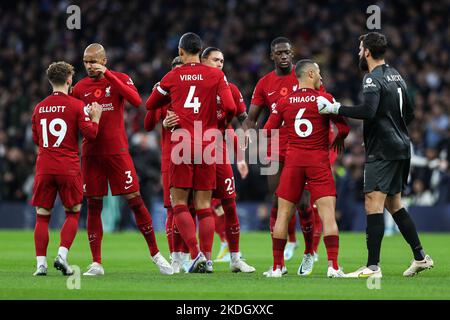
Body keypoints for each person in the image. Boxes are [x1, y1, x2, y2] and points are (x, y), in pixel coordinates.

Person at [317, 32, 434, 277]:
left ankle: (372, 267)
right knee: (394, 204)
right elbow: (410, 113)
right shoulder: (397, 75)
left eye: (360, 49)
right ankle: (421, 257)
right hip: (402, 147)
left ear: (367, 52)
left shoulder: (372, 79)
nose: (359, 53)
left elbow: (369, 111)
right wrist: (394, 128)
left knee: (373, 202)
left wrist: (336, 108)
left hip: (383, 150)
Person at [72, 43, 173, 276]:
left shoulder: (119, 78)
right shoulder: (79, 88)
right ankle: (96, 262)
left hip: (118, 152)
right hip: (91, 155)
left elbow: (137, 101)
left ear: (104, 60)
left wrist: (108, 75)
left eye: (93, 61)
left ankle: (156, 255)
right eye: (86, 61)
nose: (89, 65)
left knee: (135, 201)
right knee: (94, 206)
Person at [146, 32, 236, 273]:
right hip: (207, 142)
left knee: (179, 204)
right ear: (201, 51)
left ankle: (194, 255)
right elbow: (230, 107)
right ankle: (206, 258)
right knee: (205, 205)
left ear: (181, 52)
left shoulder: (172, 75)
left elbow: (150, 105)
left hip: (182, 143)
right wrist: (220, 123)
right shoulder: (216, 75)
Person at [264, 59, 349, 278]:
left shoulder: (284, 102)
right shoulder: (324, 99)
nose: (321, 77)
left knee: (283, 214)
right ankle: (333, 266)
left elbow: (267, 130)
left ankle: (276, 267)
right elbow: (344, 127)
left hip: (293, 162)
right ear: (310, 74)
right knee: (328, 215)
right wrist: (340, 137)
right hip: (318, 161)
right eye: (319, 72)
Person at [243, 37, 316, 273]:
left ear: (292, 53)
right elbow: (251, 119)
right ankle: (279, 263)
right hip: (274, 147)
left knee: (304, 204)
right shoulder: (264, 83)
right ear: (271, 56)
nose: (284, 56)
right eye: (279, 53)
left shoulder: (306, 74)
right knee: (277, 201)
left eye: (287, 52)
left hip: (301, 145)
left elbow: (321, 104)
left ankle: (309, 253)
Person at [31, 61, 102, 276]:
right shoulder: (76, 105)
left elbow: (37, 139)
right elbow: (90, 135)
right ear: (70, 80)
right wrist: (95, 118)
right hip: (68, 167)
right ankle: (62, 255)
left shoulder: (39, 107)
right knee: (73, 212)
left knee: (42, 215)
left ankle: (40, 265)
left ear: (51, 81)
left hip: (44, 166)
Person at [194, 46, 255, 273]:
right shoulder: (196, 88)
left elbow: (241, 115)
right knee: (200, 206)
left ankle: (235, 258)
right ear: (203, 61)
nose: (220, 64)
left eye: (222, 60)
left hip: (219, 153)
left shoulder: (230, 88)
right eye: (215, 60)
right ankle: (200, 258)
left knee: (229, 204)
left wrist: (247, 129)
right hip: (196, 151)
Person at [144, 56, 191, 273]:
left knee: (190, 207)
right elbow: (147, 124)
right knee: (173, 208)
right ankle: (175, 257)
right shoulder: (163, 95)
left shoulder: (195, 96)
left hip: (196, 155)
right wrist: (161, 119)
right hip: (170, 157)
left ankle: (187, 254)